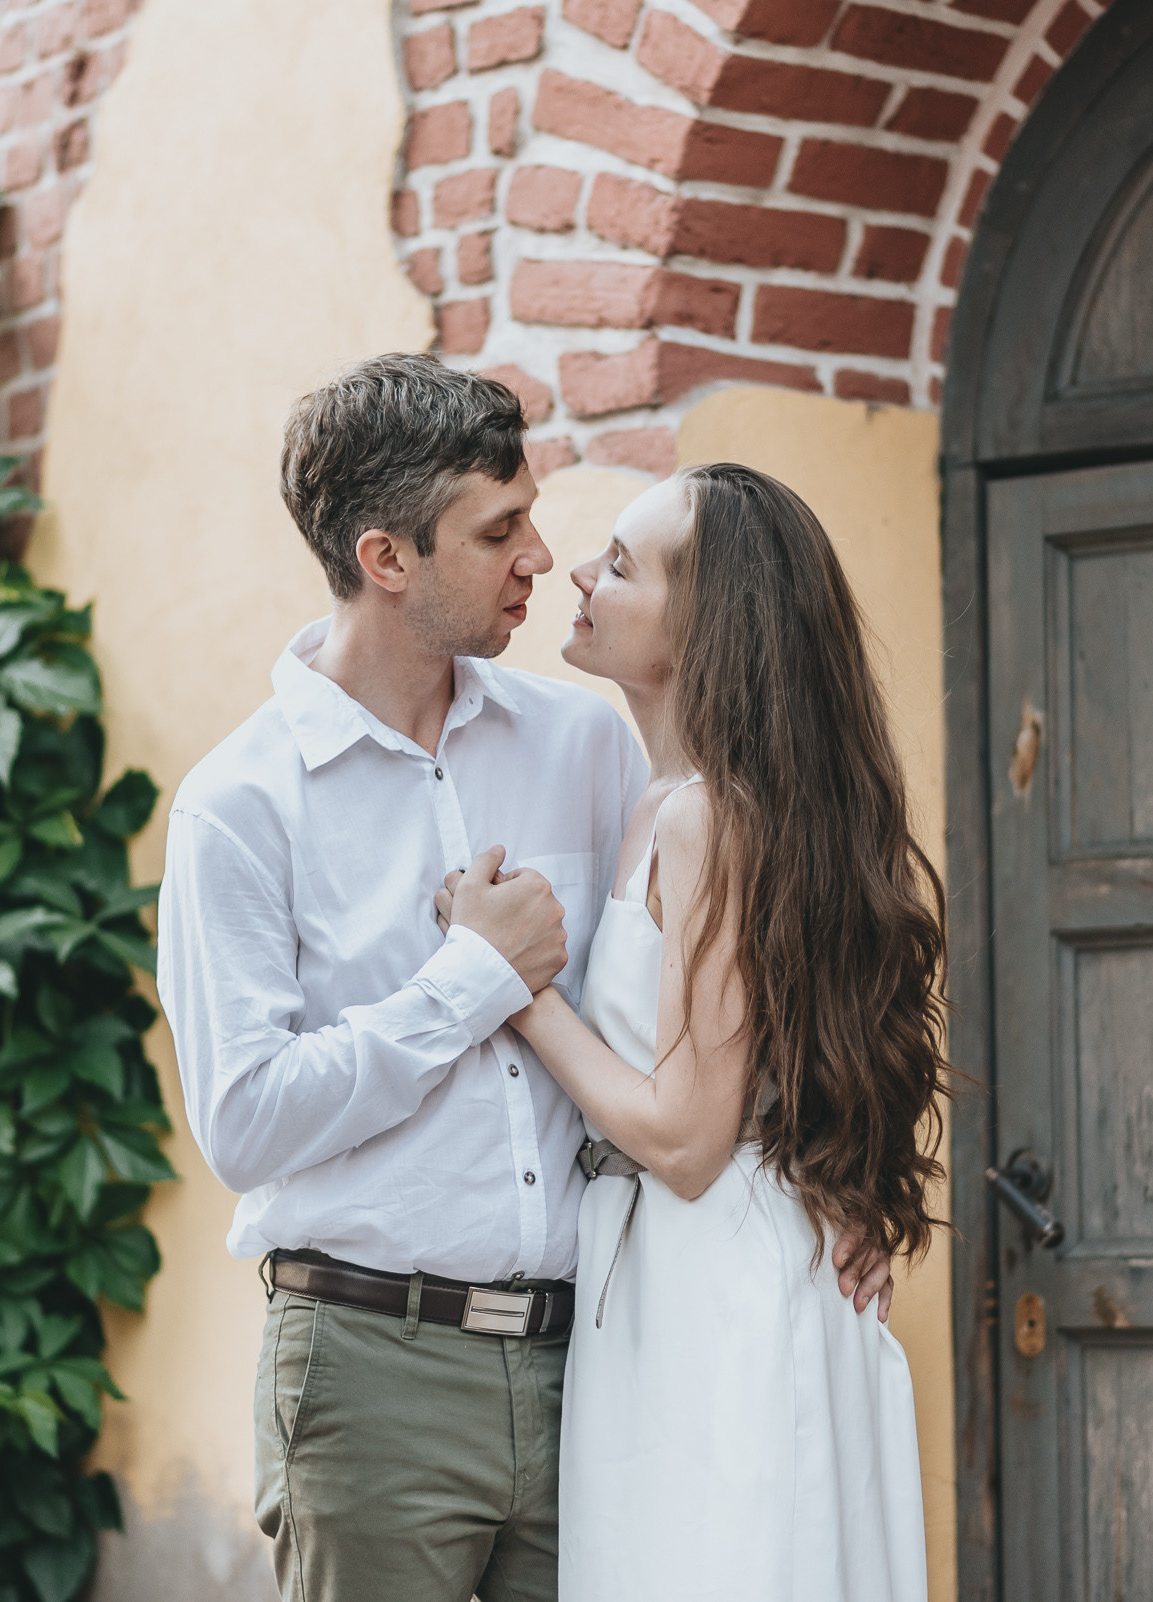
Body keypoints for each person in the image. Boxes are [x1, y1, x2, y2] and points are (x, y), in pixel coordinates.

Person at [155, 355, 895, 1602]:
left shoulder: (587, 741)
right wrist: (471, 980)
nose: (540, 557)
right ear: (389, 560)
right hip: (372, 1371)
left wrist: (840, 1169)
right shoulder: (238, 807)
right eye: (499, 530)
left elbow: (714, 998)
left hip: (597, 1367)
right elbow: (244, 1124)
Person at [440, 463, 943, 1601]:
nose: (577, 570)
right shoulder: (672, 801)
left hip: (715, 1283)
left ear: (706, 626)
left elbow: (685, 1135)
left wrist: (514, 986)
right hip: (671, 1273)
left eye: (621, 563)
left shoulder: (705, 818)